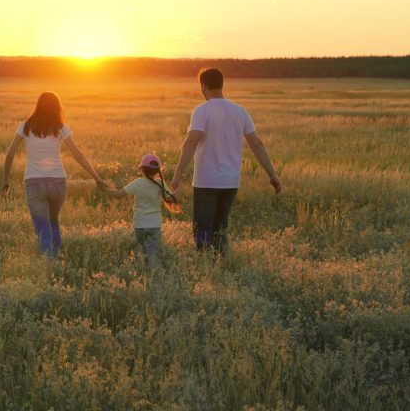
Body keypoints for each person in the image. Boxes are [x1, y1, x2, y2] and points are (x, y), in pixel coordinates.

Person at [170, 68, 282, 254]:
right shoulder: (240, 111)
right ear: (222, 85)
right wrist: (273, 175)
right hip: (230, 182)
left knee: (202, 228)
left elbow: (191, 142)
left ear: (203, 85)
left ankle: (206, 264)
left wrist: (177, 176)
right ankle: (221, 262)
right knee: (220, 228)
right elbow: (257, 144)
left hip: (206, 181)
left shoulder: (202, 111)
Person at [1, 92, 107, 258]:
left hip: (34, 183)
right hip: (58, 183)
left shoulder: (25, 126)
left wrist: (5, 182)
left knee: (43, 227)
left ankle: (51, 265)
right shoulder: (60, 127)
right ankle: (56, 259)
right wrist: (97, 177)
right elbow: (78, 155)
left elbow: (9, 155)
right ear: (57, 108)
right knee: (53, 221)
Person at [101, 154, 178, 268]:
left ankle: (139, 274)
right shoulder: (160, 183)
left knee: (139, 251)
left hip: (140, 224)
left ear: (141, 169)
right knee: (152, 251)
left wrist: (105, 189)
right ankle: (151, 275)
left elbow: (118, 195)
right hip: (155, 224)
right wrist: (178, 187)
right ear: (157, 171)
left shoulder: (138, 183)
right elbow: (170, 199)